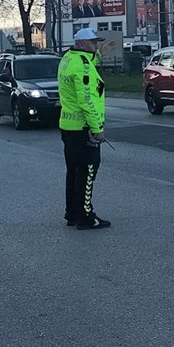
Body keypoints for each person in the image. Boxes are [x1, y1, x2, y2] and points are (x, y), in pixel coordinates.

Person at [57, 27, 110, 230]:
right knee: (88, 172)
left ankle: (72, 213)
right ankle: (86, 216)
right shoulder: (82, 67)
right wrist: (96, 128)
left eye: (96, 42)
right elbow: (87, 100)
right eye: (92, 43)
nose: (95, 45)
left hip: (68, 126)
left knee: (73, 171)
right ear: (81, 44)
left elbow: (84, 66)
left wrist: (98, 56)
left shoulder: (69, 59)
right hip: (83, 128)